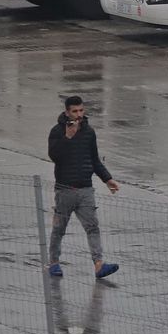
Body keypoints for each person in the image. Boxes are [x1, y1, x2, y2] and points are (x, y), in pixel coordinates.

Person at [47, 95, 120, 280]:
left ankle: (99, 265)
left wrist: (107, 179)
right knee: (59, 229)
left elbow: (94, 159)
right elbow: (54, 156)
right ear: (67, 112)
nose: (79, 115)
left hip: (86, 189)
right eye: (74, 111)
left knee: (92, 227)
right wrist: (67, 137)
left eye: (81, 110)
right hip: (64, 190)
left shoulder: (89, 132)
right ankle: (54, 262)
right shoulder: (57, 131)